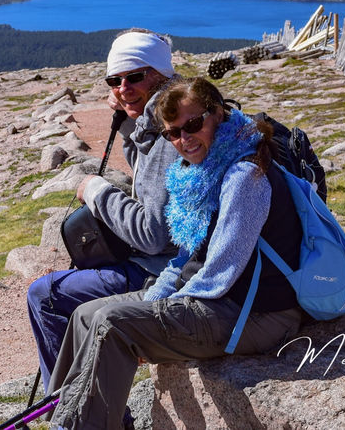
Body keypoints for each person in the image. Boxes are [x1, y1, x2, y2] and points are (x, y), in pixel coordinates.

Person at [47, 77, 306, 430]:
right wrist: (153, 300)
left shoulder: (244, 175)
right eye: (172, 133)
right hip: (218, 301)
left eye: (193, 125)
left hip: (255, 313)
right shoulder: (204, 171)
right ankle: (66, 417)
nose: (184, 140)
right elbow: (185, 258)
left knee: (114, 325)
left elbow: (221, 270)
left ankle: (79, 423)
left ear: (217, 114)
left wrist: (154, 313)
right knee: (87, 315)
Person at [26, 28, 180, 391]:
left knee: (44, 295)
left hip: (165, 270)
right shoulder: (175, 122)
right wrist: (130, 123)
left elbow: (152, 235)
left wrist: (97, 191)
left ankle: (74, 410)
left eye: (134, 76)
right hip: (171, 261)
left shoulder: (171, 140)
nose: (123, 87)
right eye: (114, 80)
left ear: (160, 75)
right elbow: (148, 171)